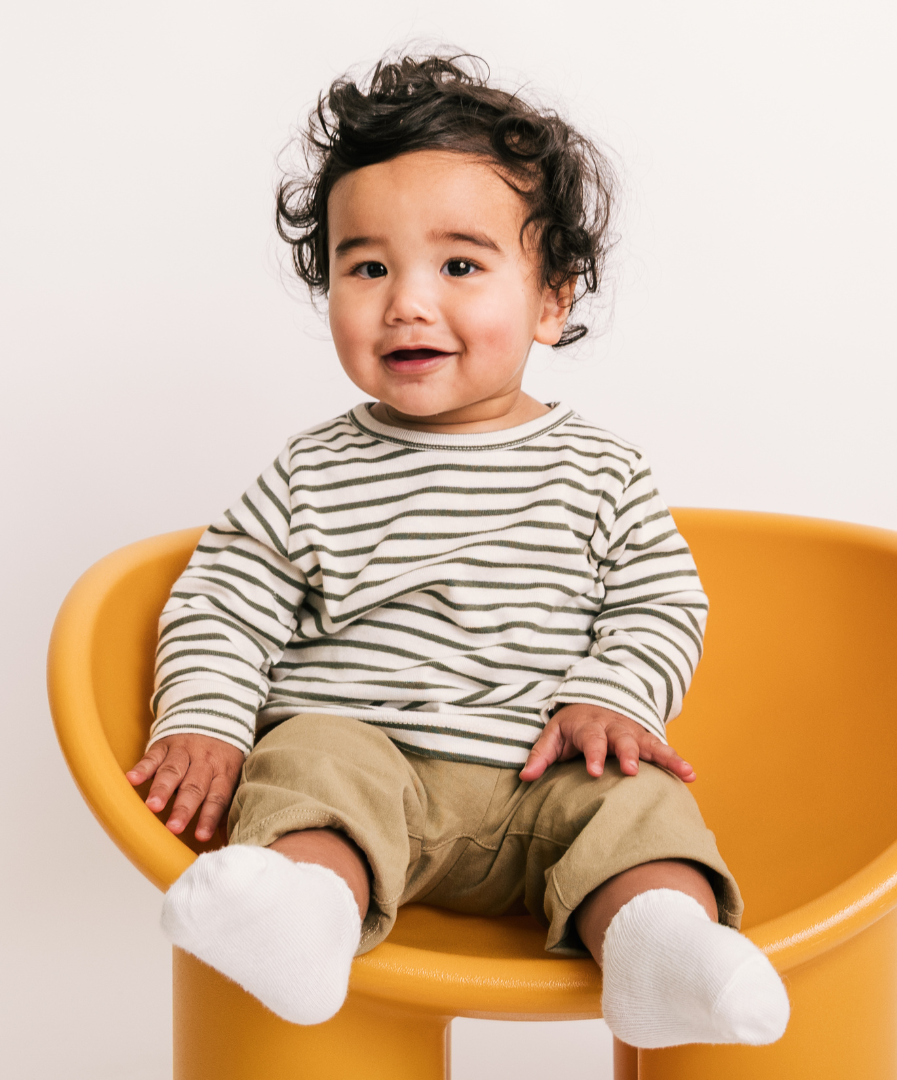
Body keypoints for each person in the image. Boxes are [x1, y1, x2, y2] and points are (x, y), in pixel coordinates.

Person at [126, 53, 790, 1048]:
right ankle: (307, 916)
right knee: (307, 756)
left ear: (553, 300)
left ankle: (657, 943)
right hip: (373, 761)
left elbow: (660, 605)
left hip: (545, 775)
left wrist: (611, 698)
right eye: (368, 266)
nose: (407, 301)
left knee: (644, 805)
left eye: (461, 265)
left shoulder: (602, 471)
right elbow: (225, 600)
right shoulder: (313, 470)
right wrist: (209, 722)